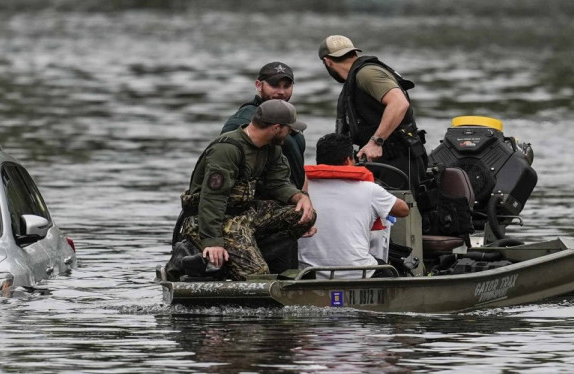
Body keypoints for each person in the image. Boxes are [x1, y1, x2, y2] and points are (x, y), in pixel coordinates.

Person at [176, 100, 316, 281]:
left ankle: (241, 256)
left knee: (304, 215)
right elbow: (213, 198)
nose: (291, 133)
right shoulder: (227, 149)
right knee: (257, 275)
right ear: (276, 128)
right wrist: (213, 241)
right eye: (289, 128)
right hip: (210, 220)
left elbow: (279, 183)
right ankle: (193, 261)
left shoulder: (272, 148)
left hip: (244, 215)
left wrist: (300, 197)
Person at [318, 34, 428, 191]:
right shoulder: (355, 78)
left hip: (398, 159)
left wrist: (376, 141)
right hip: (382, 159)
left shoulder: (366, 74)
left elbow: (399, 103)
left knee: (396, 214)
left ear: (327, 61)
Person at [298, 133, 409, 279]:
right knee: (390, 268)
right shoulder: (369, 189)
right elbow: (403, 210)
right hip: (359, 272)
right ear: (348, 160)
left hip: (310, 274)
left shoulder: (301, 191)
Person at [222, 62, 307, 191]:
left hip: (291, 199)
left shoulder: (288, 118)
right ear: (258, 85)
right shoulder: (241, 121)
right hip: (263, 205)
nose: (281, 92)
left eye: (287, 86)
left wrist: (303, 196)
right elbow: (224, 168)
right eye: (274, 85)